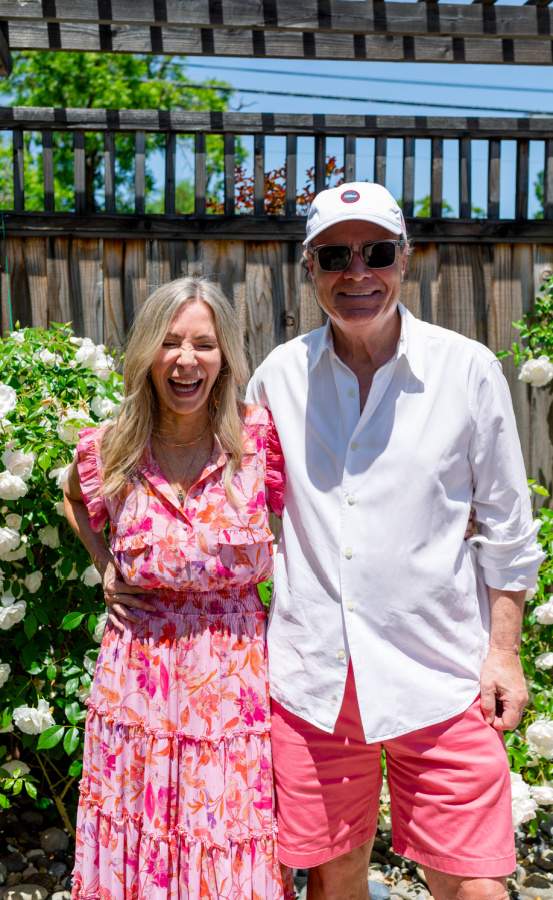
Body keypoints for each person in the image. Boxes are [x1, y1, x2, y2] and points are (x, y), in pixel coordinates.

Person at [243, 182, 545, 900]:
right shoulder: (276, 380)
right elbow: (231, 507)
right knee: (336, 875)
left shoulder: (465, 369)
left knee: (473, 883)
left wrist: (504, 652)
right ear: (309, 268)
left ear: (406, 260)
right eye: (335, 256)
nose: (358, 273)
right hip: (314, 681)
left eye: (377, 251)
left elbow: (507, 524)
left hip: (440, 677)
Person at [62, 276, 292, 900]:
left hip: (234, 688)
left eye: (204, 344)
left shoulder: (258, 443)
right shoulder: (116, 446)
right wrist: (107, 564)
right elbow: (72, 498)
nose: (187, 360)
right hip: (139, 685)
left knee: (227, 836)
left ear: (224, 358)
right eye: (169, 343)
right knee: (141, 835)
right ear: (146, 354)